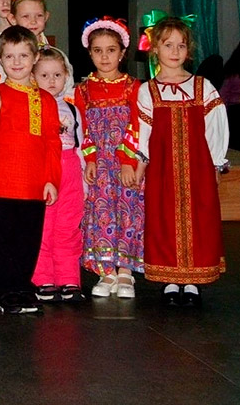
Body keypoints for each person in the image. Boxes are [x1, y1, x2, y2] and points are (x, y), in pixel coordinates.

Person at [136, 16, 228, 306]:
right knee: (164, 220)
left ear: (189, 50)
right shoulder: (148, 90)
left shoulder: (203, 87)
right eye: (168, 45)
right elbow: (143, 131)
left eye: (181, 45)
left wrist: (216, 163)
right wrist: (140, 164)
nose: (175, 51)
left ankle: (192, 281)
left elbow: (215, 127)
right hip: (162, 169)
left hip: (197, 168)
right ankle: (170, 279)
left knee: (200, 219)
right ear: (155, 49)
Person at [0, 26, 61, 315]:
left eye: (23, 55)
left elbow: (52, 143)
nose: (16, 62)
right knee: (3, 242)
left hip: (32, 185)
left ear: (35, 57)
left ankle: (23, 287)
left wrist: (51, 179)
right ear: (0, 59)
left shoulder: (46, 100)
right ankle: (5, 291)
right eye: (9, 56)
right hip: (0, 185)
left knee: (28, 240)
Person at [76, 17, 143, 299]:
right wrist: (90, 159)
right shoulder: (82, 90)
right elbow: (83, 129)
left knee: (128, 212)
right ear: (90, 53)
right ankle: (106, 270)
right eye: (98, 50)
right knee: (101, 213)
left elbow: (138, 126)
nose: (105, 57)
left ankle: (125, 270)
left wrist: (129, 162)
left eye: (111, 50)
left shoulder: (134, 87)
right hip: (100, 166)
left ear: (122, 53)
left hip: (126, 164)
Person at [31, 48, 85, 303]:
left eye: (57, 75)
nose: (51, 81)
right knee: (44, 225)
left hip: (70, 169)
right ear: (33, 77)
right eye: (44, 75)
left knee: (68, 225)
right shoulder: (32, 107)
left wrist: (84, 178)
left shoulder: (72, 110)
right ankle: (43, 278)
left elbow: (81, 145)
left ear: (66, 76)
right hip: (43, 169)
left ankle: (69, 278)